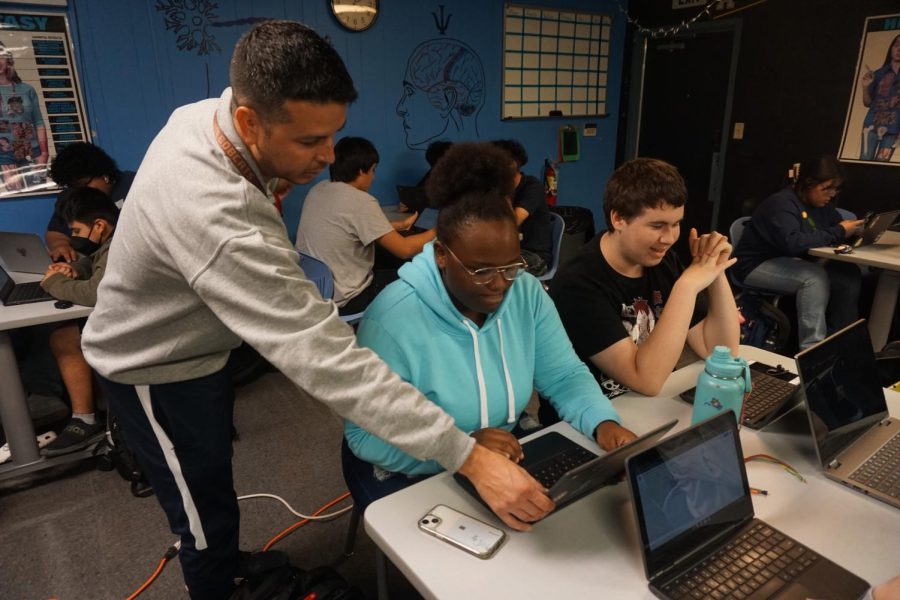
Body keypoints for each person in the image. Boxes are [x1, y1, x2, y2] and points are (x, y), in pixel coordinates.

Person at [80, 21, 552, 599]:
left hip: (201, 350)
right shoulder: (214, 211)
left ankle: (228, 560)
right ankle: (215, 583)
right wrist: (466, 455)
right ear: (251, 122)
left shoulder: (208, 112)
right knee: (198, 514)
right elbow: (327, 361)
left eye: (334, 135)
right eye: (308, 143)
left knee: (214, 483)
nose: (328, 156)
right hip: (149, 365)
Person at [343, 142, 636, 507]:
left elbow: (563, 375)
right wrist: (461, 449)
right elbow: (365, 436)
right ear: (441, 255)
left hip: (503, 446)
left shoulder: (525, 293)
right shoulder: (392, 319)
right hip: (415, 464)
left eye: (511, 266)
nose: (499, 284)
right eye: (481, 270)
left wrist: (602, 424)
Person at [551, 158, 740, 400]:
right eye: (657, 225)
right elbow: (646, 381)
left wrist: (715, 269)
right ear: (619, 219)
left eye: (676, 224)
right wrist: (687, 286)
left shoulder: (661, 261)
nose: (669, 238)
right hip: (591, 419)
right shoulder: (577, 284)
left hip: (649, 406)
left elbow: (721, 352)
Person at [732, 156, 864, 350]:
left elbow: (835, 229)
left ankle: (842, 345)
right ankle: (812, 350)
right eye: (827, 188)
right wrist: (840, 231)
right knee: (814, 278)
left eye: (836, 189)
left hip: (790, 261)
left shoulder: (823, 207)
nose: (832, 194)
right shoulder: (781, 203)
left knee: (847, 274)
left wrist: (856, 232)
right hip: (754, 265)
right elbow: (792, 243)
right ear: (809, 183)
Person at [296, 136, 436, 315]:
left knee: (385, 255)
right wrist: (440, 228)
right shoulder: (360, 200)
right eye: (373, 170)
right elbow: (405, 249)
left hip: (315, 290)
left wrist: (399, 225)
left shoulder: (320, 189)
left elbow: (346, 226)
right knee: (416, 274)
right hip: (347, 299)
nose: (374, 177)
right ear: (362, 171)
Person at [38, 187, 118, 456]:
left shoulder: (119, 246)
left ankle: (85, 419)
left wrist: (55, 282)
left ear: (99, 225)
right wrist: (74, 269)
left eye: (76, 232)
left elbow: (94, 292)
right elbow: (95, 263)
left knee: (62, 336)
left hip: (130, 324)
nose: (73, 239)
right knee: (61, 333)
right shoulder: (110, 241)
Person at [46, 142, 135, 262]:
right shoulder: (73, 196)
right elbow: (55, 232)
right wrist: (61, 245)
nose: (80, 191)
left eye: (82, 184)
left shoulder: (133, 185)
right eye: (72, 186)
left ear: (105, 176)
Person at [492, 139, 552, 276]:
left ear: (514, 164)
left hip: (533, 256)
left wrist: (504, 189)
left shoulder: (532, 186)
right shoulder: (493, 188)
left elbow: (513, 223)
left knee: (488, 269)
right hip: (504, 252)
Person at [0, 41, 47, 192]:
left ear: (8, 59)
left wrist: (44, 153)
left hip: (31, 155)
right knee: (16, 201)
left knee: (39, 194)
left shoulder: (27, 89)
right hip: (4, 158)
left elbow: (39, 122)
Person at [860, 34, 900, 162]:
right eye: (897, 45)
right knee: (864, 162)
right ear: (891, 48)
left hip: (894, 130)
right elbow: (867, 103)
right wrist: (865, 87)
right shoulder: (878, 74)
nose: (899, 49)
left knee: (881, 164)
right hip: (871, 126)